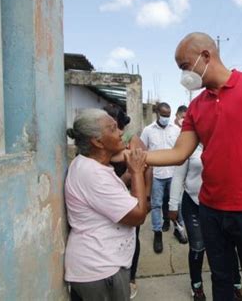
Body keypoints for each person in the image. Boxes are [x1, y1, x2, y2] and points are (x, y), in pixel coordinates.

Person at [138, 32, 242, 300]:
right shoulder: (197, 106)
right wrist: (139, 158)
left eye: (185, 66)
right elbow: (178, 153)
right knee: (221, 280)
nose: (184, 75)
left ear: (206, 56)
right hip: (210, 210)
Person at [64, 109, 148, 301]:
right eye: (113, 128)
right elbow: (138, 216)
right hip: (101, 270)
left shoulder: (90, 163)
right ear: (97, 141)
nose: (120, 132)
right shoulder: (93, 175)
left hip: (102, 265)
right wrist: (136, 173)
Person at [169, 144, 242, 301]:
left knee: (229, 247)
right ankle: (197, 286)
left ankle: (236, 286)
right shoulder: (190, 142)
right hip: (193, 203)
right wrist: (172, 204)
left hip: (220, 204)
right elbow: (178, 175)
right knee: (197, 246)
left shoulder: (222, 138)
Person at [104, 104, 152, 299]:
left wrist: (146, 196)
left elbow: (146, 168)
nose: (115, 132)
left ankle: (130, 278)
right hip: (107, 197)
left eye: (114, 126)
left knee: (131, 236)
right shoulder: (102, 144)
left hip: (130, 196)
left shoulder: (131, 141)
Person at [140, 102, 187, 254]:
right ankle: (157, 233)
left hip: (174, 174)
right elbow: (142, 151)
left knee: (175, 204)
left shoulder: (176, 130)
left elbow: (181, 151)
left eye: (168, 115)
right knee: (156, 205)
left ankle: (178, 229)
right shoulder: (148, 131)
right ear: (157, 114)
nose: (166, 118)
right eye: (163, 115)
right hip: (157, 175)